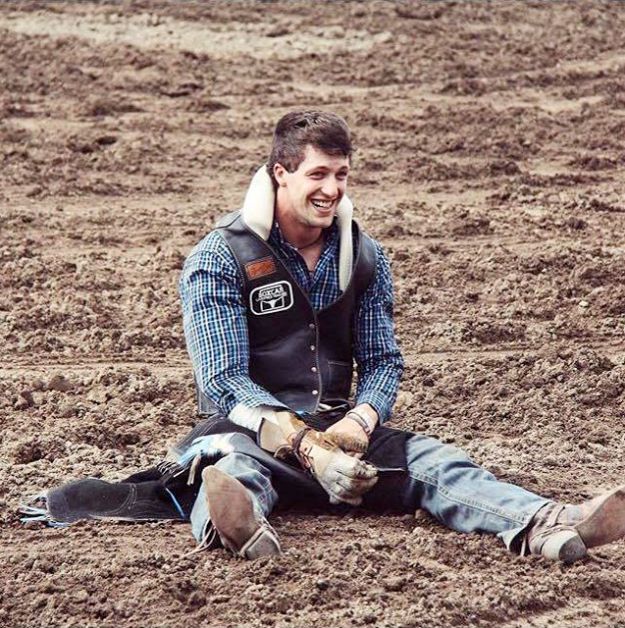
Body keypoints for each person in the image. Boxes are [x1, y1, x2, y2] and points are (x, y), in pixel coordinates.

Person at [22, 110, 625, 564]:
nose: (332, 189)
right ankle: (236, 528)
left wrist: (359, 423)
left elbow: (385, 361)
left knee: (440, 464)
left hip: (342, 427)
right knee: (232, 475)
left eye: (341, 175)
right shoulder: (218, 257)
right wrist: (306, 448)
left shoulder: (364, 256)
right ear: (280, 174)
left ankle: (548, 523)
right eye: (317, 173)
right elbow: (222, 379)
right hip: (248, 433)